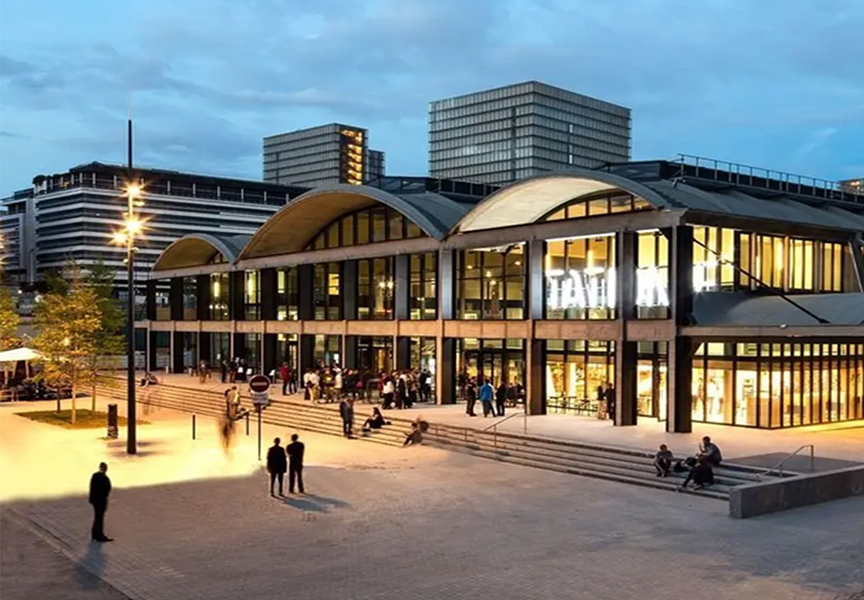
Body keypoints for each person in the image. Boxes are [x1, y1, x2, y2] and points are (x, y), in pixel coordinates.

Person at [89, 462, 113, 542]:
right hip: (101, 500)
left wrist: (91, 499)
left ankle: (94, 534)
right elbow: (107, 488)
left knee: (97, 517)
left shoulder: (95, 475)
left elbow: (91, 488)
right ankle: (99, 535)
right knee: (99, 518)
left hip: (95, 500)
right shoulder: (104, 477)